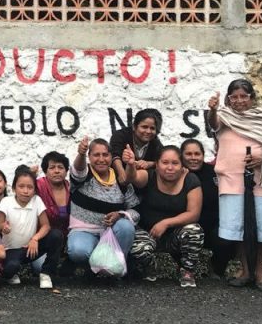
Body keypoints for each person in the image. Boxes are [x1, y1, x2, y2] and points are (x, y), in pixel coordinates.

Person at [206, 79, 262, 291]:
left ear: (252, 98)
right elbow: (212, 123)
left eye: (244, 96)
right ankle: (245, 270)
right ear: (228, 99)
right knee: (239, 228)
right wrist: (213, 109)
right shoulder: (223, 117)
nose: (239, 101)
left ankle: (261, 273)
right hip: (231, 181)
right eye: (234, 97)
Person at [129, 145, 204, 288]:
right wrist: (131, 164)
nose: (170, 167)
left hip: (175, 236)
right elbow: (133, 178)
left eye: (175, 163)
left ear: (182, 166)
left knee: (194, 230)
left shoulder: (190, 180)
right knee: (137, 248)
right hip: (148, 233)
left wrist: (166, 223)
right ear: (156, 165)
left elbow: (194, 214)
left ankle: (187, 271)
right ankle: (151, 267)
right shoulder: (150, 175)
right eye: (165, 163)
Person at [66, 138, 139, 276]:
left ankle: (115, 269)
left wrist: (120, 214)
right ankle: (93, 270)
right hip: (85, 232)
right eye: (96, 155)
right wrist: (80, 154)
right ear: (89, 157)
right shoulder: (84, 176)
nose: (101, 159)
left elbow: (136, 210)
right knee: (78, 251)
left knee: (126, 227)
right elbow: (78, 170)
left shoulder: (121, 179)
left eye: (105, 155)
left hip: (112, 233)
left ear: (111, 157)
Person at [180, 139, 235, 281]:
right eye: (189, 154)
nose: (193, 158)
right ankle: (183, 268)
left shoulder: (214, 173)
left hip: (213, 226)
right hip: (185, 227)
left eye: (197, 154)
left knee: (226, 236)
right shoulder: (176, 174)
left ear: (203, 155)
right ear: (181, 156)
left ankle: (217, 268)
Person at [0, 166, 57, 290]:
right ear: (14, 188)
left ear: (35, 190)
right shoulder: (6, 201)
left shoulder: (37, 200)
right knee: (11, 268)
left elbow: (46, 225)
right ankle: (8, 273)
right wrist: (3, 227)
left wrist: (35, 239)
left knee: (56, 236)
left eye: (30, 187)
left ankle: (46, 273)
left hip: (31, 248)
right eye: (21, 186)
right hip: (10, 250)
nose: (26, 191)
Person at [112, 109, 164, 181]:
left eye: (152, 128)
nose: (148, 131)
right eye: (144, 127)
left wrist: (149, 164)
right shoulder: (120, 136)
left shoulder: (155, 143)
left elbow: (163, 159)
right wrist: (122, 175)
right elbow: (115, 156)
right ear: (134, 126)